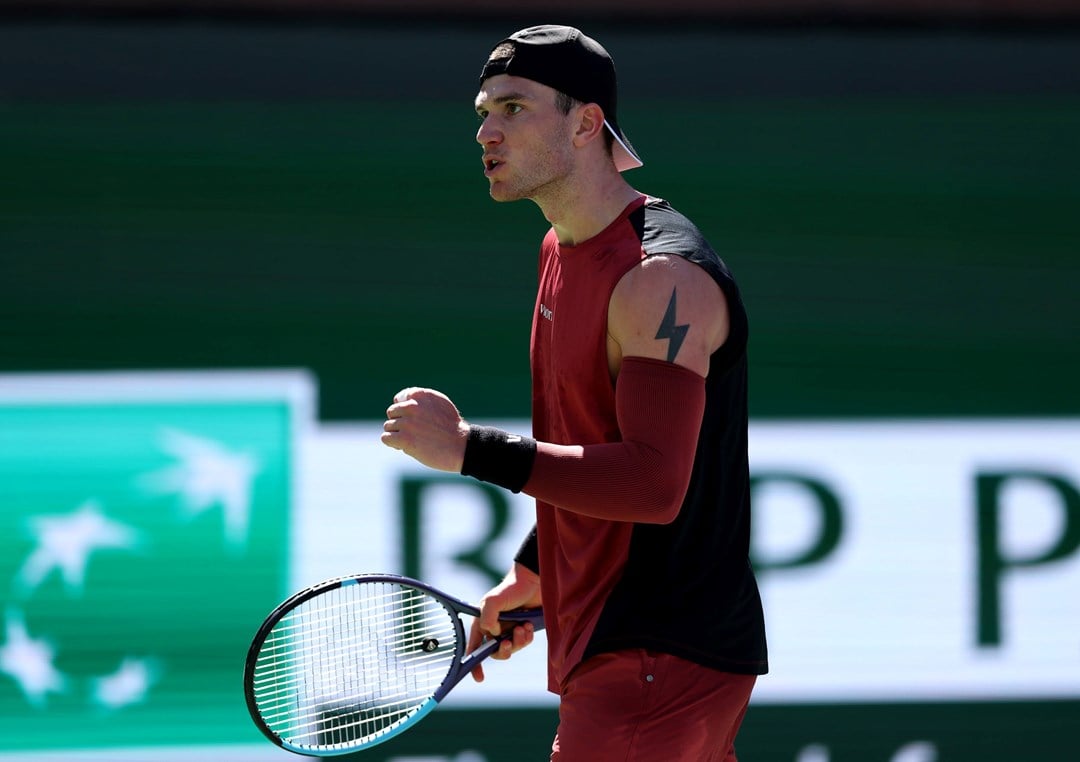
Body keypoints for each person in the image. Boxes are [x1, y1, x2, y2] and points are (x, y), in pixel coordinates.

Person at [381, 24, 767, 761]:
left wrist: (469, 451)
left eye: (515, 109)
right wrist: (535, 567)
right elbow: (597, 436)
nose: (487, 131)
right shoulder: (560, 247)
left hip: (659, 653)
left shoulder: (660, 279)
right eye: (483, 111)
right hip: (629, 648)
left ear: (587, 123)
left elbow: (653, 484)